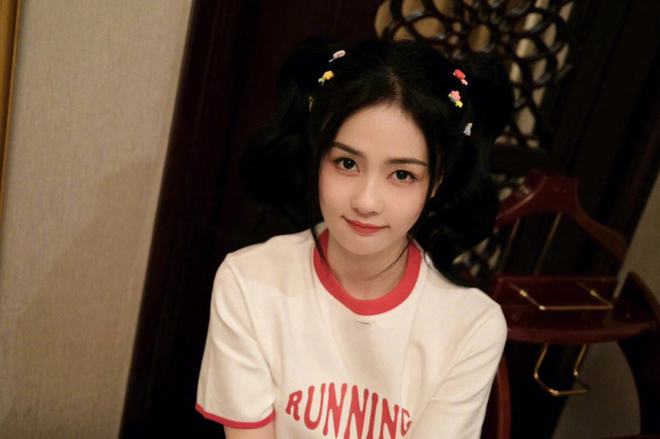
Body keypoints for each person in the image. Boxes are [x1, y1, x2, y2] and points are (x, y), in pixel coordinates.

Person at [195, 37, 514, 439]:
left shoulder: (472, 326)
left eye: (402, 174)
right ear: (318, 158)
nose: (366, 201)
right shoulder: (249, 282)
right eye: (346, 163)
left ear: (436, 181)